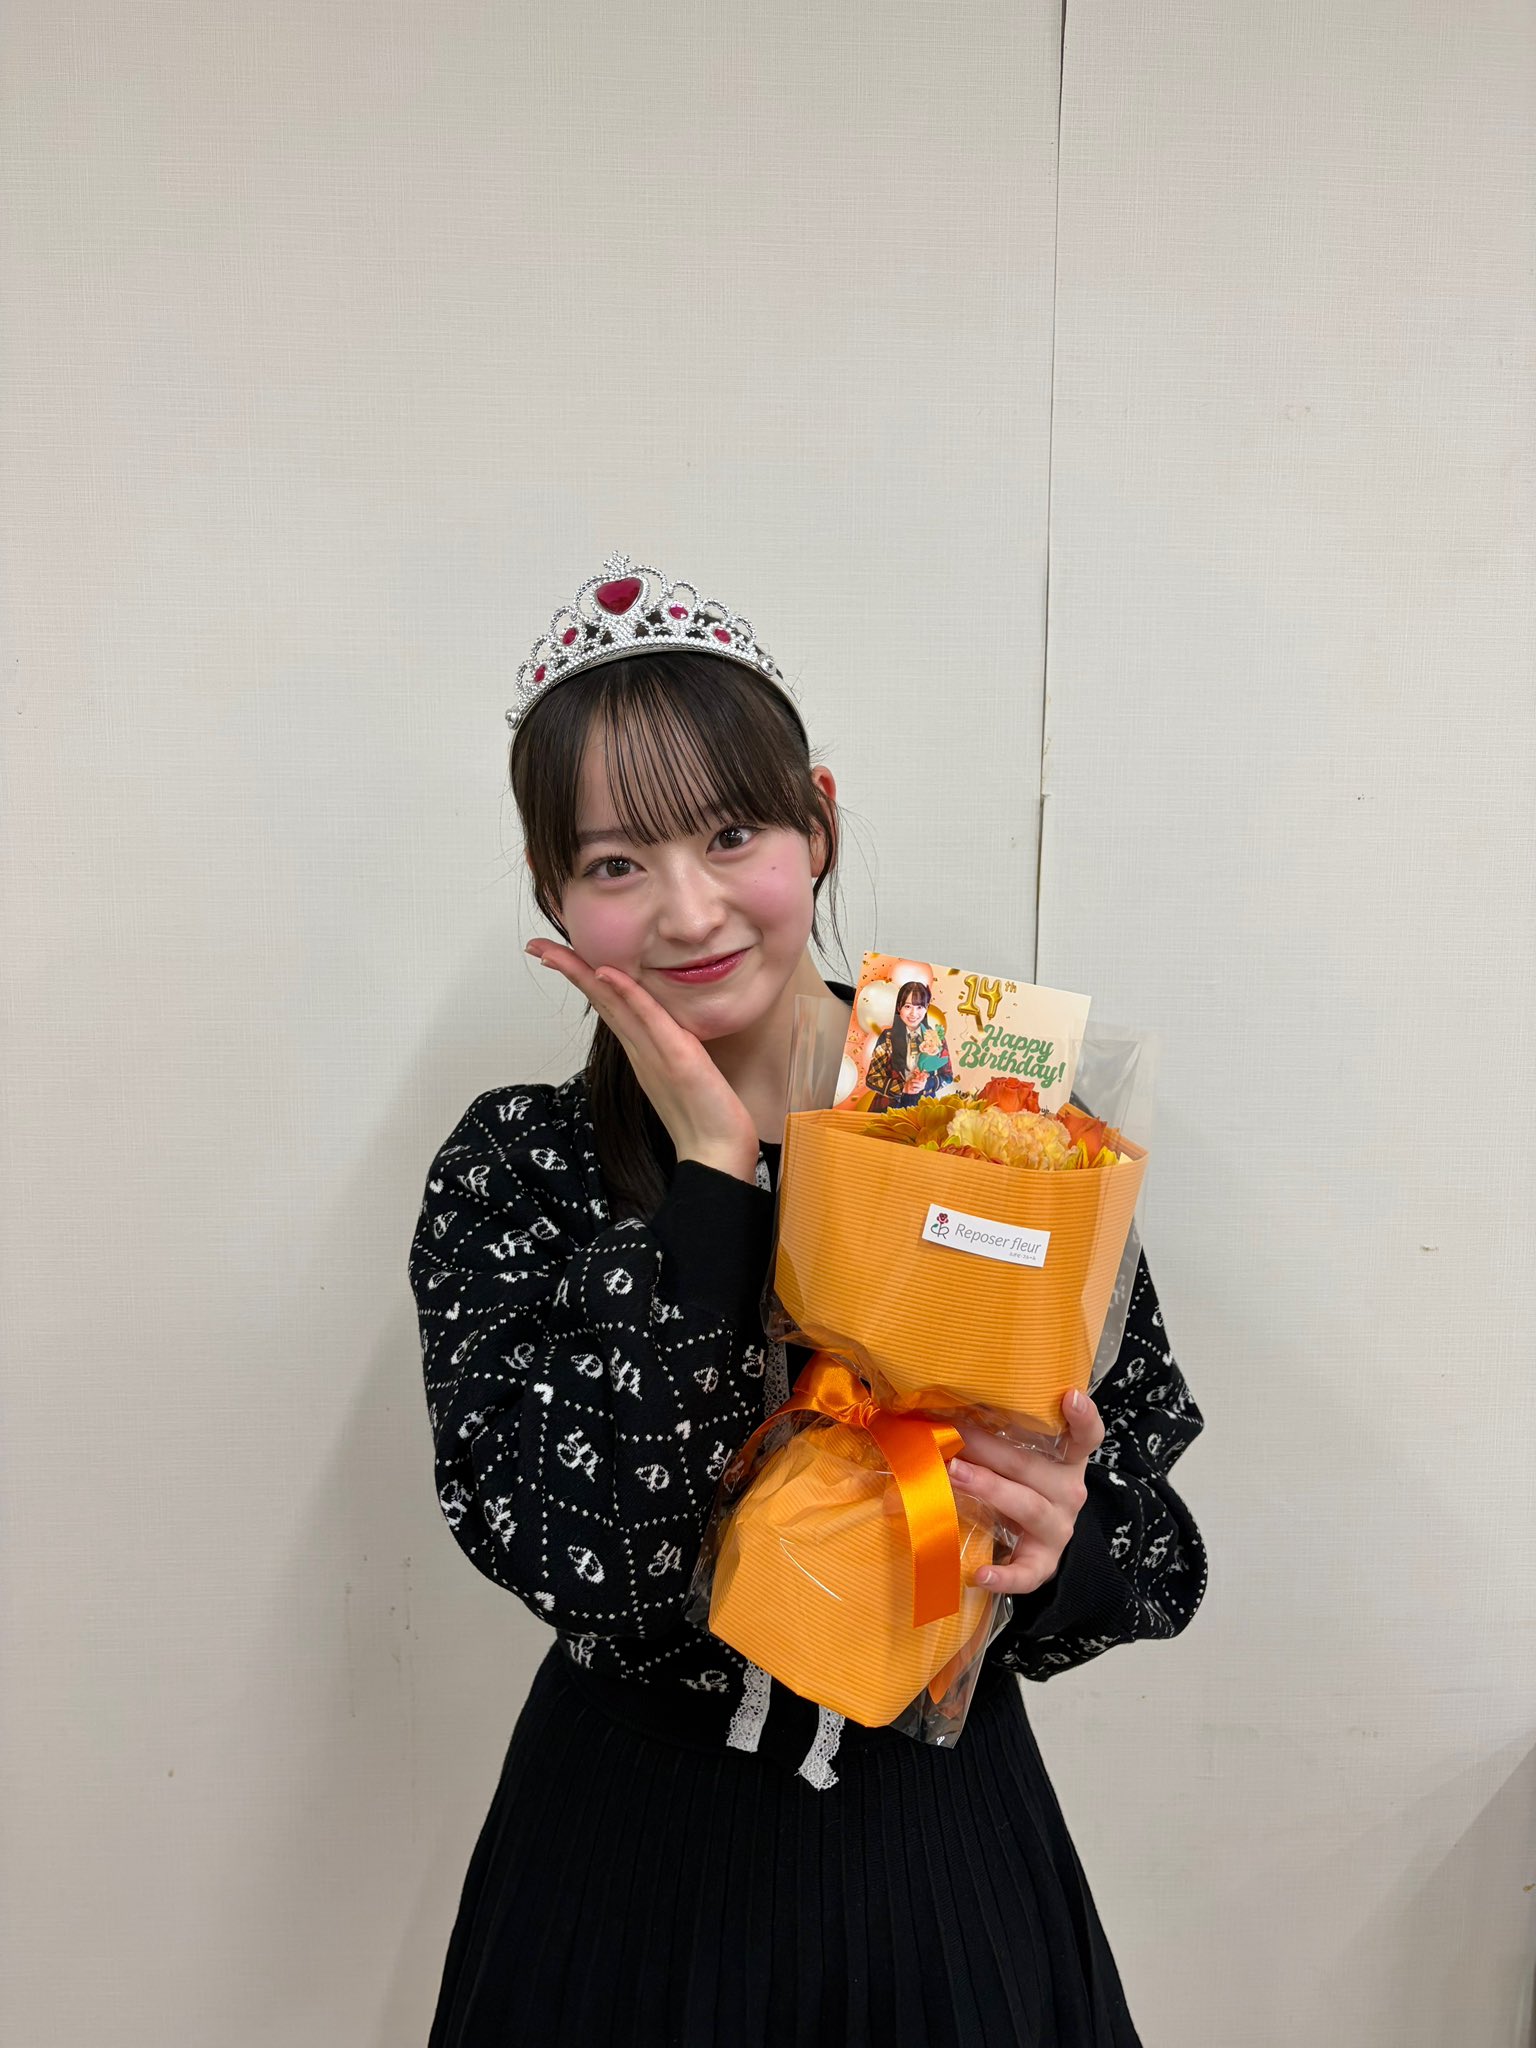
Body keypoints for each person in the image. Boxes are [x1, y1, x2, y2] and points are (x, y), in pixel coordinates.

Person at [408, 553, 1209, 2046]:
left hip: (939, 1854)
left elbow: (1156, 1548)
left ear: (818, 823)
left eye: (733, 833)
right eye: (615, 863)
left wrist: (1059, 1547)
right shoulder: (520, 1166)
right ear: (552, 893)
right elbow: (595, 1571)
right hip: (623, 1865)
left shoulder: (989, 1115)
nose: (689, 909)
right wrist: (716, 1183)